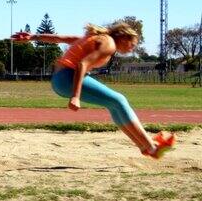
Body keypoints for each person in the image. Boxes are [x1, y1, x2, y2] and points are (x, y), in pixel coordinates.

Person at [12, 22, 175, 159]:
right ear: (123, 37)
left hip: (60, 80)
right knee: (119, 101)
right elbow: (82, 64)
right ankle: (151, 147)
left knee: (114, 104)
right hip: (68, 78)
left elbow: (60, 38)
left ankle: (144, 147)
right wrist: (75, 96)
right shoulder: (109, 43)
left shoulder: (93, 38)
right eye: (132, 44)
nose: (132, 48)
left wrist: (32, 36)